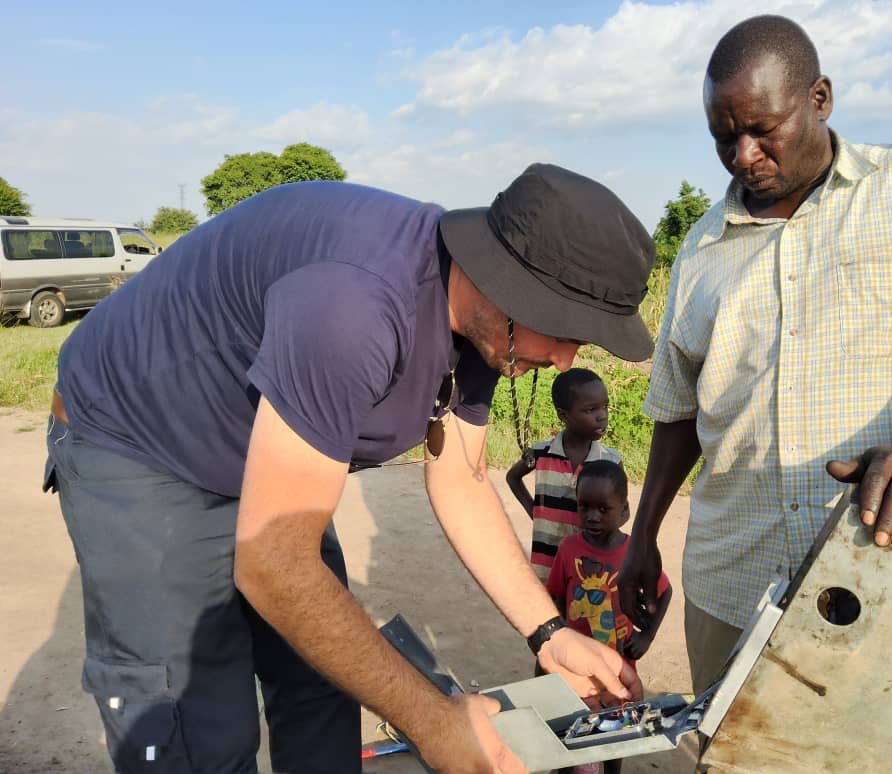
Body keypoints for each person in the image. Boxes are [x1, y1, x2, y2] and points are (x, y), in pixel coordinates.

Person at [44, 163, 657, 774]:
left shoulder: (486, 328)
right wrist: (435, 721)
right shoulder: (355, 307)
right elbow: (275, 563)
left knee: (322, 680)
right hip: (137, 440)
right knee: (198, 724)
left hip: (258, 450)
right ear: (507, 286)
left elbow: (462, 476)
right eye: (563, 331)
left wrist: (549, 632)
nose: (564, 359)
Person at [617, 15, 892, 773]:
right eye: (723, 137)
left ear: (820, 97)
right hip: (731, 583)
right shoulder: (701, 249)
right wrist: (643, 539)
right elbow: (677, 413)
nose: (744, 156)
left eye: (762, 129)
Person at [546, 460, 671, 774]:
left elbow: (665, 591)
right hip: (574, 666)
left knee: (617, 732)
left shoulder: (634, 553)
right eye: (584, 507)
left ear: (625, 511)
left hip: (619, 666)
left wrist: (647, 635)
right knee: (569, 728)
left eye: (603, 509)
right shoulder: (568, 549)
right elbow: (557, 598)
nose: (592, 516)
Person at [506, 368, 622, 582]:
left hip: (587, 570)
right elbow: (513, 477)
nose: (602, 416)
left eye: (604, 406)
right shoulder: (541, 453)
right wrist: (534, 510)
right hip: (546, 564)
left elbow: (623, 512)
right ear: (563, 415)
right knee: (547, 611)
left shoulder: (611, 462)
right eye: (590, 409)